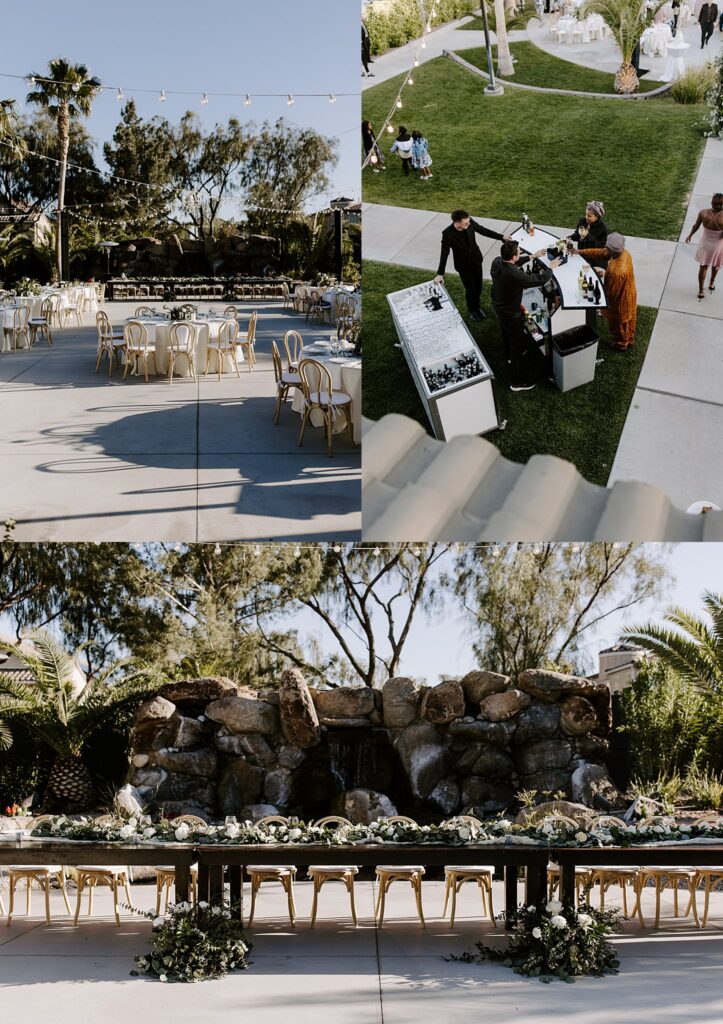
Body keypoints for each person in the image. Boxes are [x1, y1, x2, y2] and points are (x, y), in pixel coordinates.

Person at [490, 240, 560, 391]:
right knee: (517, 343)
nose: (520, 253)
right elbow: (540, 280)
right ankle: (517, 381)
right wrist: (551, 268)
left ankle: (509, 356)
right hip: (509, 312)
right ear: (514, 256)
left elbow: (513, 263)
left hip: (498, 305)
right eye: (519, 252)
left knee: (506, 332)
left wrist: (532, 256)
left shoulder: (497, 262)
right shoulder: (514, 274)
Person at [434, 209, 513, 320]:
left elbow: (483, 230)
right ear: (457, 223)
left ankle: (477, 306)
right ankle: (472, 310)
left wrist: (501, 237)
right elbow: (444, 253)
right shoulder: (447, 233)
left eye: (469, 221)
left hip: (476, 260)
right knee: (471, 290)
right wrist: (440, 273)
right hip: (463, 266)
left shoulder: (469, 222)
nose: (469, 224)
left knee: (479, 287)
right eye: (465, 223)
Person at [574, 232, 637, 350]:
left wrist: (593, 294)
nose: (605, 249)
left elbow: (609, 293)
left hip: (621, 299)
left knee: (619, 321)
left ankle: (621, 344)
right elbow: (600, 253)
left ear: (613, 250)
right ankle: (630, 339)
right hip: (630, 290)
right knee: (630, 318)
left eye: (607, 248)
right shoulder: (624, 253)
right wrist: (580, 252)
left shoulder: (617, 270)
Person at [685, 193, 723, 298]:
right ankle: (711, 284)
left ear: (712, 202)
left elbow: (695, 226)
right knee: (715, 264)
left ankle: (701, 291)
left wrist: (690, 235)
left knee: (703, 266)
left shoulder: (703, 213)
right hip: (718, 245)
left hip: (705, 243)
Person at [569, 201, 609, 267]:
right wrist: (570, 238)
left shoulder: (604, 229)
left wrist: (588, 236)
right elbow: (577, 234)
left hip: (595, 261)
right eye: (586, 214)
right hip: (582, 254)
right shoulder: (583, 221)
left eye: (589, 216)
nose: (586, 217)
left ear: (597, 217)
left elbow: (602, 249)